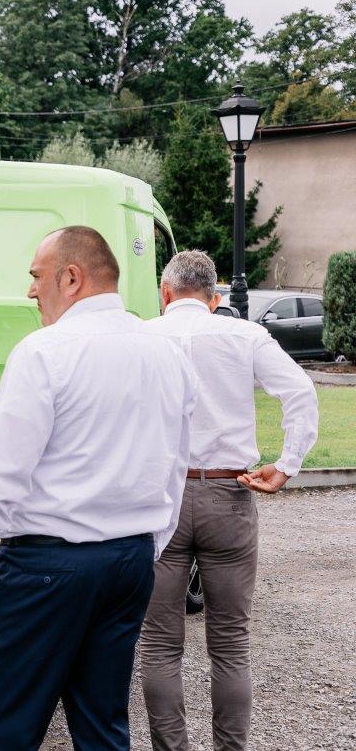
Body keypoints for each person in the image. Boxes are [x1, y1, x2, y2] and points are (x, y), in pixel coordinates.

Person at [0, 226, 198, 750]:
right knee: (103, 728)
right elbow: (175, 466)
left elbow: (4, 472)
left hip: (48, 567)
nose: (31, 291)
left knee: (2, 731)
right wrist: (147, 546)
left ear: (71, 276)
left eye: (36, 277)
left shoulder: (45, 351)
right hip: (128, 563)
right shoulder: (168, 354)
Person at [139, 250, 319, 751]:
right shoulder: (246, 336)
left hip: (161, 498)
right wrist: (286, 464)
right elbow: (301, 390)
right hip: (229, 493)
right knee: (231, 644)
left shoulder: (143, 338)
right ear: (215, 298)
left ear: (165, 292)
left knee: (158, 645)